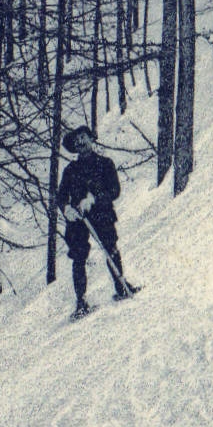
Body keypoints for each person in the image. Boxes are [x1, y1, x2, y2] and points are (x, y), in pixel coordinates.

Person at [56, 125, 128, 316]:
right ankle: (81, 301)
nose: (80, 142)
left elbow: (115, 190)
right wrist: (66, 209)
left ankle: (121, 287)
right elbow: (61, 196)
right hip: (79, 220)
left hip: (102, 214)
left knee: (110, 248)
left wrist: (94, 199)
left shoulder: (105, 164)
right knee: (78, 257)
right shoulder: (70, 170)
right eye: (76, 141)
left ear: (91, 139)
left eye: (83, 137)